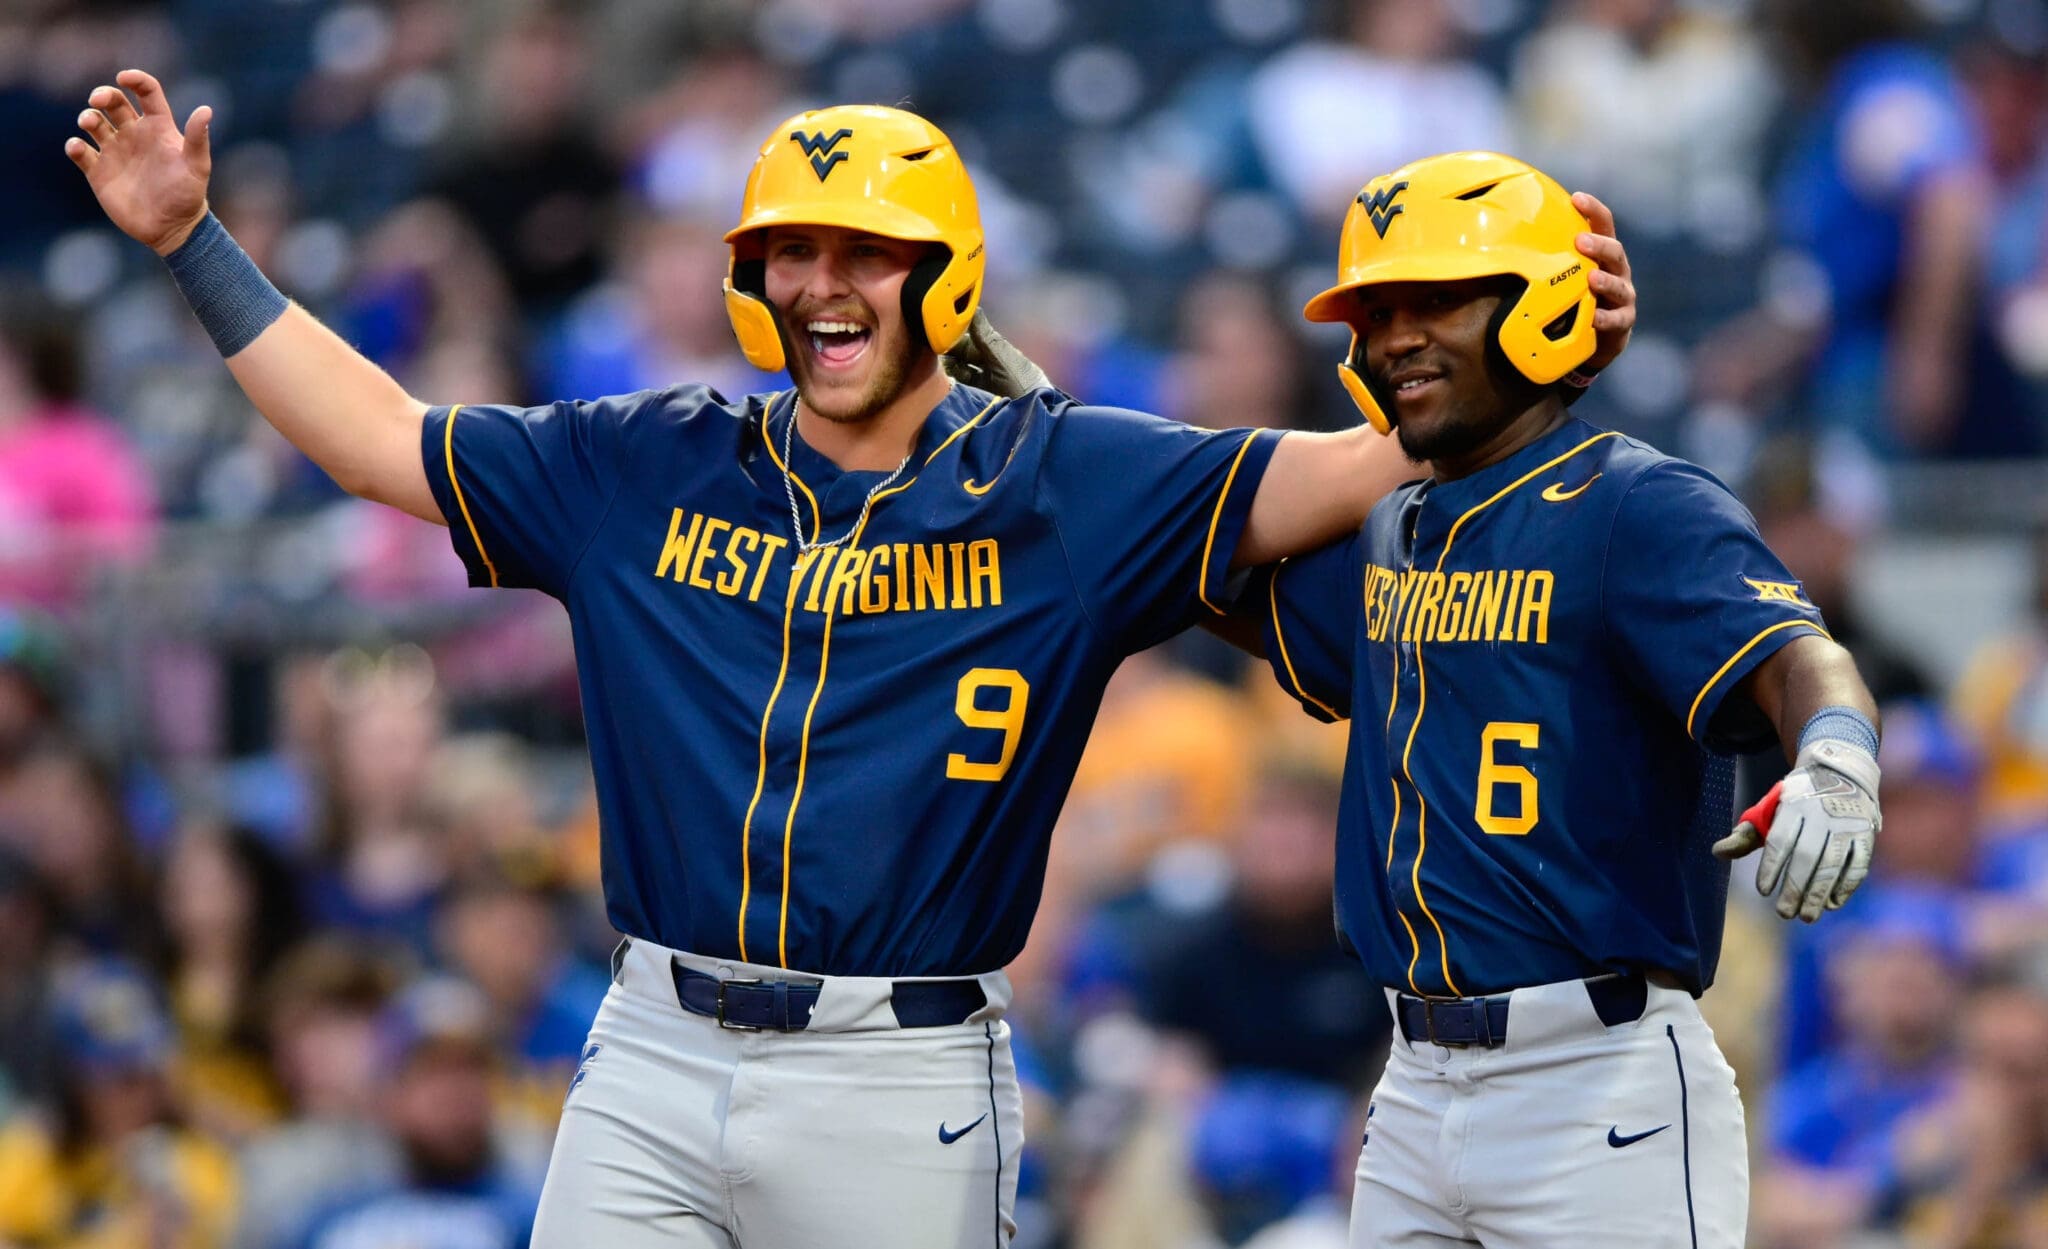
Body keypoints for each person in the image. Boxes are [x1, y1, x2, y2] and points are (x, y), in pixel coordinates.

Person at [67, 73, 1638, 1247]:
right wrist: (195, 244)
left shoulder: (1065, 481)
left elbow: (1360, 459)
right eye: (791, 249)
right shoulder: (644, 461)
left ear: (943, 274)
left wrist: (1538, 350)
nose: (823, 280)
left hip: (900, 1075)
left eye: (866, 250)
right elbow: (382, 441)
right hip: (652, 1046)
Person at [1238, 150, 1882, 1248]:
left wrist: (1834, 751)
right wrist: (1052, 446)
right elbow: (1216, 579)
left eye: (1437, 299)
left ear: (1539, 306)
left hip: (1596, 1083)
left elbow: (1795, 653)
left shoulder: (1636, 502)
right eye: (1378, 311)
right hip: (1409, 1085)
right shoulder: (1391, 524)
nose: (1396, 337)